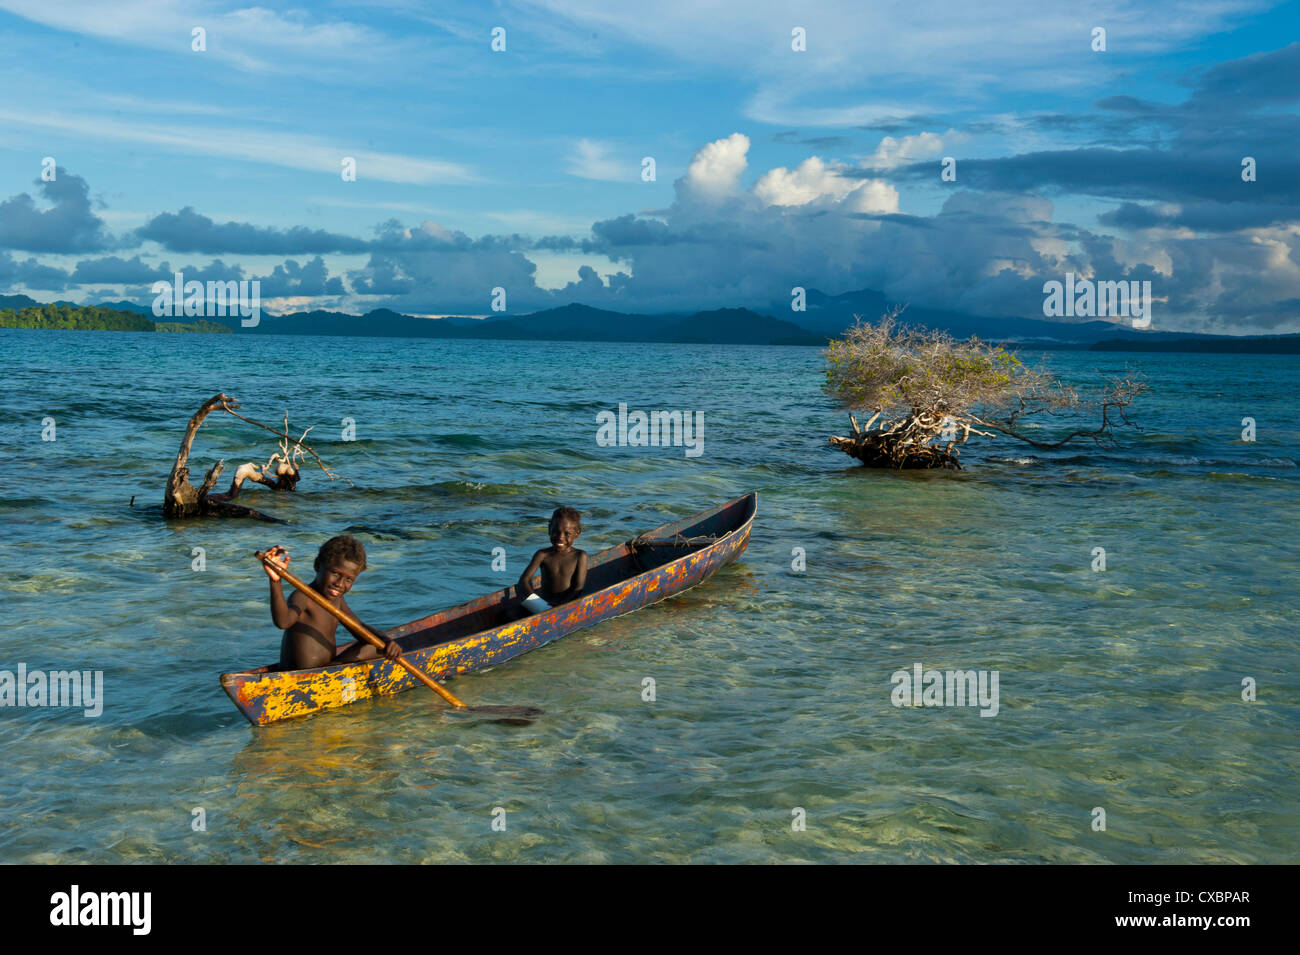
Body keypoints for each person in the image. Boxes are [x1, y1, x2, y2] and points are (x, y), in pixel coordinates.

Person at [262, 535, 402, 669]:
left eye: (348, 580)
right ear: (318, 565)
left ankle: (334, 668)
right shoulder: (303, 596)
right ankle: (333, 670)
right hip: (299, 674)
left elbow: (359, 628)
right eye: (335, 573)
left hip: (327, 668)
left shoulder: (338, 601)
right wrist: (275, 581)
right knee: (377, 646)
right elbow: (283, 622)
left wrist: (387, 641)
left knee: (376, 647)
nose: (340, 584)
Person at [516, 507, 589, 613]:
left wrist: (562, 605)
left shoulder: (580, 556)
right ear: (549, 529)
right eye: (556, 531)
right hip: (543, 606)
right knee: (507, 614)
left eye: (567, 534)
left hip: (567, 605)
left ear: (577, 533)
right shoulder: (542, 555)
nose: (560, 537)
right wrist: (537, 603)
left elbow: (578, 587)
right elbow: (523, 581)